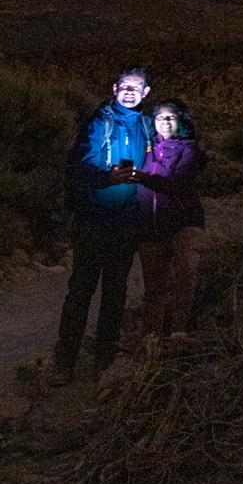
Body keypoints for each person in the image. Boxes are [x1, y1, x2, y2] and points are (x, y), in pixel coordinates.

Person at [55, 66, 154, 378]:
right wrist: (106, 177)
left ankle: (105, 358)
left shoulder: (147, 126)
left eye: (136, 87)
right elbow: (79, 164)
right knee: (82, 289)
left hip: (125, 222)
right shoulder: (100, 121)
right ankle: (65, 361)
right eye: (125, 85)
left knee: (115, 290)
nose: (129, 91)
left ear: (145, 93)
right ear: (115, 88)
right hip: (93, 219)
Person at [135, 101, 208, 338]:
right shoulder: (145, 150)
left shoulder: (189, 149)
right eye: (160, 117)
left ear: (180, 121)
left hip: (184, 222)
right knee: (154, 286)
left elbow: (179, 183)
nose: (165, 121)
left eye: (171, 117)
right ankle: (151, 340)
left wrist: (141, 178)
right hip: (151, 226)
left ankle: (179, 332)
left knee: (186, 273)